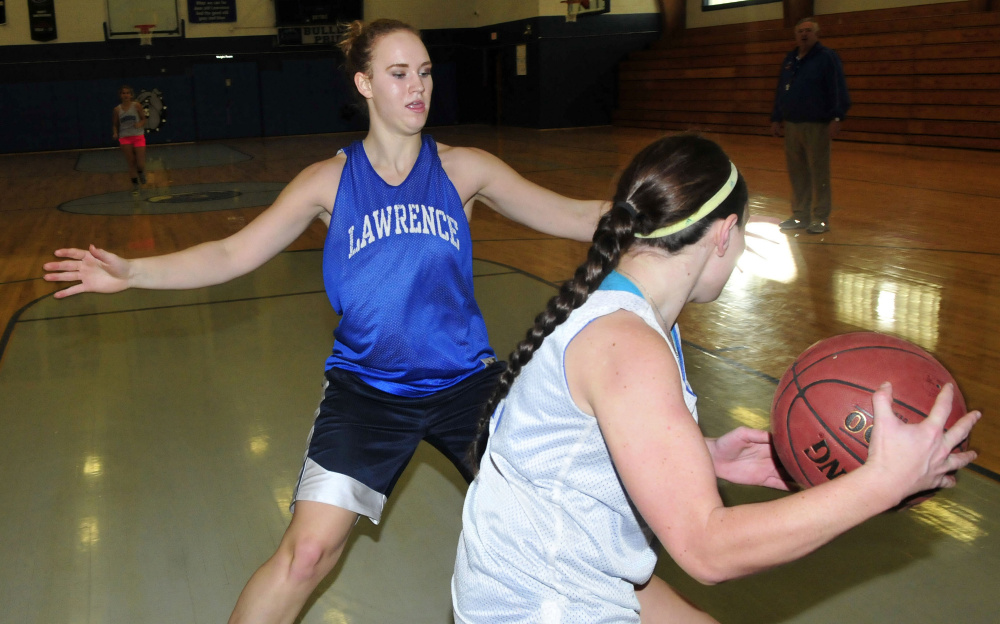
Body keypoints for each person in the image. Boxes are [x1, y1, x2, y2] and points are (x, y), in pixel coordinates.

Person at [43, 19, 606, 624]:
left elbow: (578, 216)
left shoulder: (465, 170)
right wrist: (134, 274)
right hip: (367, 393)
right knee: (306, 553)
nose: (417, 87)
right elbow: (233, 253)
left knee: (563, 528)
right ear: (364, 83)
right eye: (398, 75)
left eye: (424, 72)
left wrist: (670, 203)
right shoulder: (328, 182)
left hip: (468, 387)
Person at [452, 134, 979, 623]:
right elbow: (708, 549)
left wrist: (701, 454)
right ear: (725, 233)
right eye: (745, 233)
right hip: (536, 603)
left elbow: (570, 452)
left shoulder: (625, 311)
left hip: (548, 565)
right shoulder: (628, 346)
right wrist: (881, 483)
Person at [770, 17, 850, 235]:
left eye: (808, 30)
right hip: (792, 125)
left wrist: (836, 117)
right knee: (797, 172)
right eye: (800, 31)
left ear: (816, 34)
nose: (804, 34)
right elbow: (781, 90)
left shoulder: (827, 58)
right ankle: (800, 215)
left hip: (817, 125)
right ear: (795, 35)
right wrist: (777, 117)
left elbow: (837, 87)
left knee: (819, 173)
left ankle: (821, 218)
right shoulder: (790, 59)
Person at [112, 85, 148, 192]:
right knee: (131, 162)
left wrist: (140, 123)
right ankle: (135, 184)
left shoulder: (136, 106)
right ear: (120, 95)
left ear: (131, 95)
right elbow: (115, 124)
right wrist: (115, 133)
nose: (126, 95)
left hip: (138, 136)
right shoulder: (117, 110)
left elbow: (144, 119)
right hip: (125, 137)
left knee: (140, 164)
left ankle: (141, 172)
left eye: (128, 93)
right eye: (123, 93)